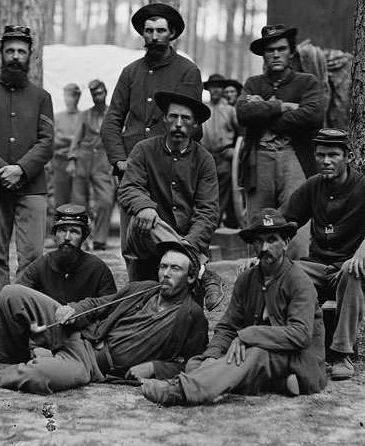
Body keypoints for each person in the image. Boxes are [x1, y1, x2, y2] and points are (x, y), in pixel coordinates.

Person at [140, 208, 327, 405]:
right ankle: (275, 383)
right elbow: (229, 325)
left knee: (254, 353)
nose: (264, 247)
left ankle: (180, 391)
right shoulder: (247, 279)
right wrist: (211, 356)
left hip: (296, 359)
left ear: (286, 243)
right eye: (258, 241)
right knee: (197, 364)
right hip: (262, 357)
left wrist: (248, 336)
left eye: (272, 240)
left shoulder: (299, 281)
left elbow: (301, 334)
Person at [0, 243, 208, 395]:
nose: (165, 274)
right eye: (163, 267)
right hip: (79, 333)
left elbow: (193, 363)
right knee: (11, 294)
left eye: (175, 269)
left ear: (189, 278)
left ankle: (6, 371)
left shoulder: (192, 315)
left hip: (90, 364)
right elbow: (99, 304)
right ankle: (9, 360)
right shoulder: (144, 289)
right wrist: (72, 309)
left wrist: (156, 367)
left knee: (35, 377)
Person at [284, 128, 365, 380]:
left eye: (333, 154)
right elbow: (285, 217)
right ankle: (286, 344)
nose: (326, 161)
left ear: (349, 156)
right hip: (321, 268)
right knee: (282, 270)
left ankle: (341, 354)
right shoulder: (313, 187)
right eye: (321, 155)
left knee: (354, 271)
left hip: (358, 272)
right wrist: (269, 246)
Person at [0, 25, 55, 342]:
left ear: (29, 56)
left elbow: (47, 142)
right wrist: (2, 170)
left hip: (32, 188)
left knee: (32, 256)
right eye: (10, 51)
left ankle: (26, 317)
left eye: (21, 51)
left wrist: (21, 169)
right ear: (1, 55)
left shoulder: (42, 98)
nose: (15, 57)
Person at [101, 3, 202, 277]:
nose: (154, 36)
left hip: (169, 173)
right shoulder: (131, 72)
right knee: (131, 245)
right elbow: (111, 120)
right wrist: (120, 160)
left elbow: (193, 126)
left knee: (167, 241)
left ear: (172, 34)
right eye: (148, 31)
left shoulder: (187, 72)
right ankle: (136, 299)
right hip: (132, 174)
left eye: (160, 30)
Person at [116, 90, 225, 310]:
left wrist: (189, 243)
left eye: (185, 119)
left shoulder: (204, 160)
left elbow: (208, 211)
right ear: (165, 119)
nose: (178, 123)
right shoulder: (144, 150)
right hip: (145, 238)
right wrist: (145, 206)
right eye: (173, 117)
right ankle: (203, 271)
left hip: (187, 238)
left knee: (186, 317)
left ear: (195, 125)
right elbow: (128, 187)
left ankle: (190, 258)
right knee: (143, 219)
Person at [236, 24, 327, 237]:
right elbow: (242, 113)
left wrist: (263, 113)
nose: (276, 55)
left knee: (297, 221)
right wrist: (281, 106)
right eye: (270, 50)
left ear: (291, 52)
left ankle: (298, 268)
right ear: (263, 55)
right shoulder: (253, 84)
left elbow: (313, 116)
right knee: (258, 222)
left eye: (281, 49)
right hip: (259, 160)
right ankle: (257, 269)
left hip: (294, 157)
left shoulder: (306, 82)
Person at [16, 204, 116, 303]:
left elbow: (111, 304)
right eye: (62, 230)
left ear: (83, 237)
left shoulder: (97, 269)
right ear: (55, 235)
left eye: (74, 232)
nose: (67, 237)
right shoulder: (40, 266)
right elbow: (18, 297)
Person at [67, 79, 114, 251]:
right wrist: (72, 160)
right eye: (94, 94)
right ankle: (82, 238)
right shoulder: (85, 115)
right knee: (79, 202)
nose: (97, 97)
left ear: (106, 93)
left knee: (105, 200)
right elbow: (76, 138)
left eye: (100, 93)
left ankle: (100, 239)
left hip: (103, 161)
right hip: (83, 158)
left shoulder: (113, 114)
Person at [200, 73, 240, 228]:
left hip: (224, 156)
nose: (215, 91)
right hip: (206, 157)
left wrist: (234, 151)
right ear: (208, 89)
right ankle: (206, 223)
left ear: (222, 89)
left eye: (218, 88)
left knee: (222, 193)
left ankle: (215, 225)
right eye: (212, 88)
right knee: (206, 192)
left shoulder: (230, 110)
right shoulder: (203, 108)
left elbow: (241, 133)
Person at [50, 83, 82, 209]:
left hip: (78, 162)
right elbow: (53, 141)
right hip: (59, 162)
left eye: (73, 96)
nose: (69, 99)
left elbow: (84, 141)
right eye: (67, 96)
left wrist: (65, 139)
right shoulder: (57, 118)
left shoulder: (82, 117)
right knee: (60, 201)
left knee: (78, 201)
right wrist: (73, 139)